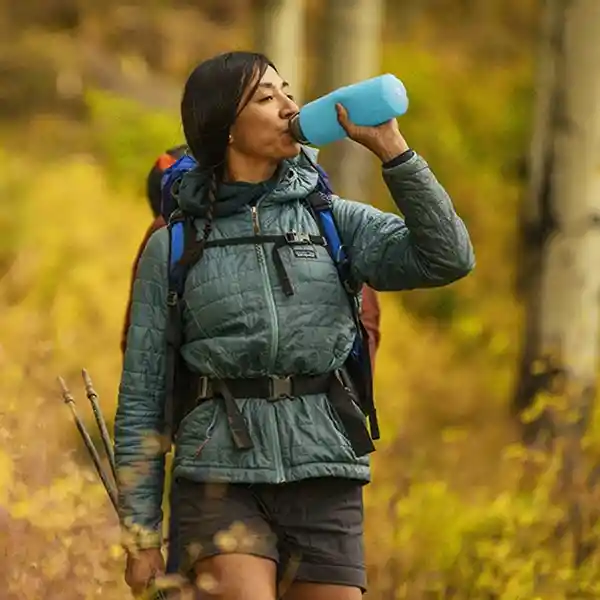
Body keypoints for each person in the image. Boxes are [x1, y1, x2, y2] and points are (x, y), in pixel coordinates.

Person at [114, 51, 474, 600]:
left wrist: (394, 152)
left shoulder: (333, 218)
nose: (290, 107)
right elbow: (142, 395)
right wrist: (141, 535)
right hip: (219, 475)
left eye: (288, 91)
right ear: (223, 128)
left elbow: (448, 257)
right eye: (266, 97)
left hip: (324, 467)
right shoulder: (173, 246)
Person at [121, 148, 382, 366]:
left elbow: (141, 347)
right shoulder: (325, 213)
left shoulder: (165, 230)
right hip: (327, 411)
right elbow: (366, 323)